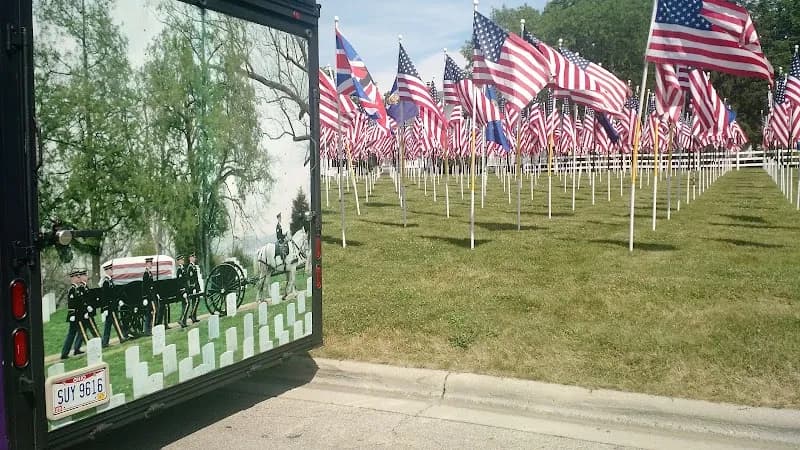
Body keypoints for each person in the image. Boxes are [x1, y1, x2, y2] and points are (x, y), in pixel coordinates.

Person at [60, 269, 86, 359]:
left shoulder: (77, 289)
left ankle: (76, 349)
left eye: (79, 277)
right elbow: (71, 303)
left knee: (80, 332)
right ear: (73, 278)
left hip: (79, 315)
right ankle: (64, 353)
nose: (79, 279)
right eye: (77, 277)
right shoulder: (72, 289)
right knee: (71, 334)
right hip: (74, 316)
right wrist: (72, 315)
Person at [100, 262, 126, 348]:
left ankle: (104, 342)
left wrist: (118, 300)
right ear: (107, 271)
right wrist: (105, 308)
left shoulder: (110, 281)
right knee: (116, 322)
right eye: (111, 270)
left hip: (113, 305)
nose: (112, 271)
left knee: (109, 324)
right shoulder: (106, 282)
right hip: (110, 307)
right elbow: (105, 296)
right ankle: (121, 337)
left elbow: (113, 294)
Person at [78, 269, 100, 340]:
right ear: (81, 277)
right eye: (85, 276)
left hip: (88, 311)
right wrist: (86, 309)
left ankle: (77, 347)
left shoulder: (85, 286)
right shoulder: (81, 288)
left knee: (85, 329)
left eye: (86, 275)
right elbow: (82, 300)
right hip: (85, 311)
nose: (86, 277)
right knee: (92, 326)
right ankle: (99, 340)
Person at [142, 257, 156, 335]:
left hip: (151, 296)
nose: (151, 264)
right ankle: (148, 330)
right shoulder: (146, 274)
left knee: (151, 312)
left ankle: (149, 329)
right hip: (148, 297)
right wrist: (145, 297)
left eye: (151, 263)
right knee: (149, 313)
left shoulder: (149, 273)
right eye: (150, 263)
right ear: (147, 264)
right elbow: (144, 286)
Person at [186, 252, 201, 323]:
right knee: (195, 301)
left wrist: (198, 287)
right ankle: (192, 315)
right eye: (192, 257)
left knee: (196, 301)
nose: (194, 258)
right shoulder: (190, 267)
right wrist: (193, 288)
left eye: (194, 257)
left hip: (196, 286)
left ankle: (194, 316)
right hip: (193, 287)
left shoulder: (194, 266)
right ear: (190, 258)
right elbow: (190, 279)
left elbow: (196, 278)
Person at [176, 254, 190, 328]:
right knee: (187, 304)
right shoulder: (179, 270)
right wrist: (183, 290)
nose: (182, 261)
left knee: (185, 305)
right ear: (178, 261)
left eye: (182, 259)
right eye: (181, 260)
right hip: (183, 291)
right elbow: (179, 282)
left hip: (185, 289)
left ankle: (184, 322)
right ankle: (181, 320)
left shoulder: (183, 268)